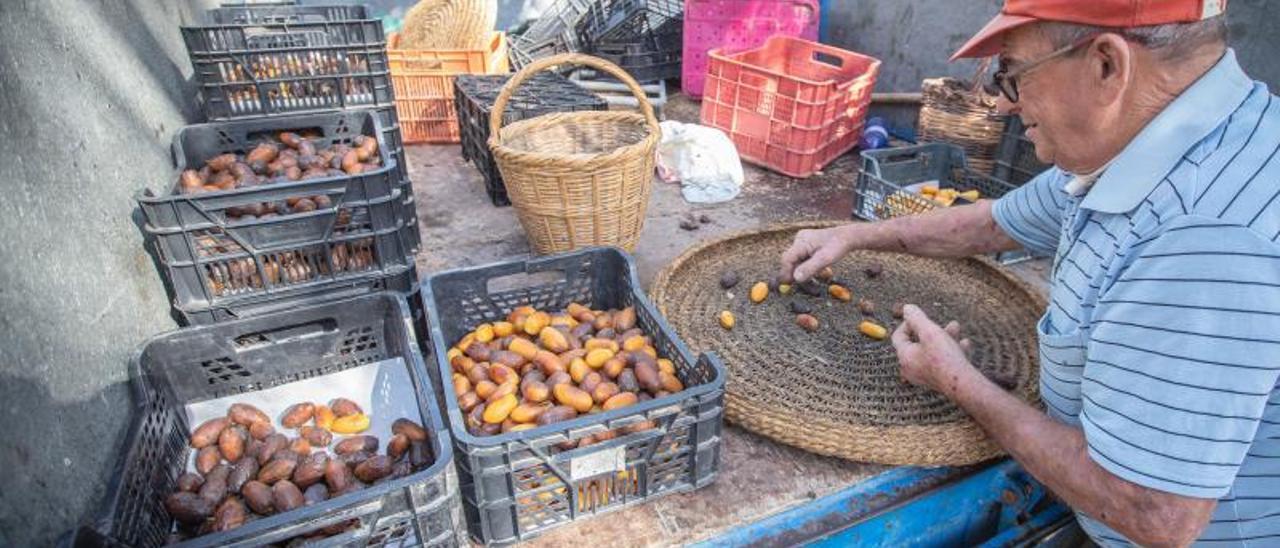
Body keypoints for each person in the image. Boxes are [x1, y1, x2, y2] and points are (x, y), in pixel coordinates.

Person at [778, 1, 1280, 545]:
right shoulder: (1152, 143)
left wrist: (958, 383)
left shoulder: (1201, 239)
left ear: (1106, 66)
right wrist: (854, 235)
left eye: (1012, 74)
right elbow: (994, 223)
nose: (1000, 105)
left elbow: (1153, 513)